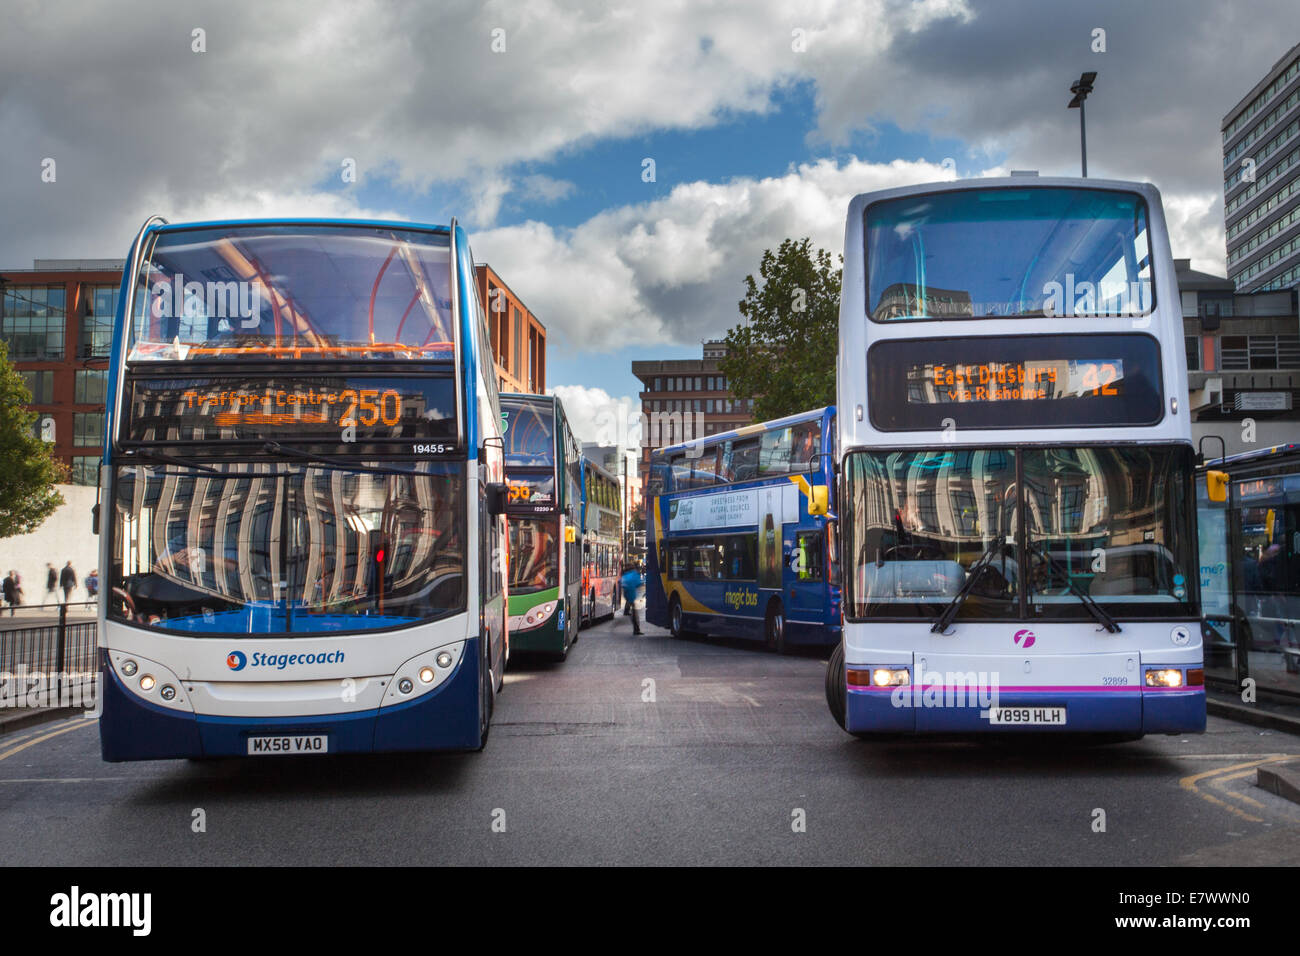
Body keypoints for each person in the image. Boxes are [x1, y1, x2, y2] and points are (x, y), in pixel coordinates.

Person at [619, 563, 644, 636]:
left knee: (633, 611)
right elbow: (638, 583)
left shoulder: (625, 575)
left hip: (627, 594)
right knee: (635, 613)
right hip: (631, 595)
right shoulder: (634, 574)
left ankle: (636, 628)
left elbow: (621, 582)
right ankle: (636, 629)